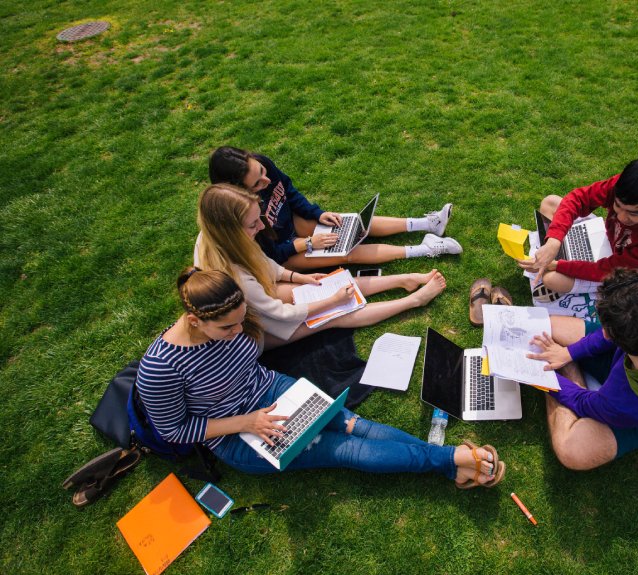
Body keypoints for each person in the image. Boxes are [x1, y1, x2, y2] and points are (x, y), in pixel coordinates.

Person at [135, 268, 506, 484]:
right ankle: (448, 461)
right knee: (346, 449)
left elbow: (252, 363)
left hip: (273, 390)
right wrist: (247, 421)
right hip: (236, 434)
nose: (238, 332)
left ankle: (449, 463)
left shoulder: (232, 320)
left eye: (240, 321)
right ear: (195, 322)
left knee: (352, 423)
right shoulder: (161, 368)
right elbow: (174, 430)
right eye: (227, 328)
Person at [194, 183, 447, 349]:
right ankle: (414, 300)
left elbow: (266, 264)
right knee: (336, 314)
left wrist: (297, 277)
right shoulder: (234, 277)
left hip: (261, 304)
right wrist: (331, 302)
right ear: (230, 230)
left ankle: (405, 279)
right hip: (256, 333)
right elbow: (280, 314)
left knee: (325, 284)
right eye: (253, 225)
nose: (261, 227)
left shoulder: (214, 237)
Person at [527, 268, 638, 469]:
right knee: (547, 327)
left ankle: (567, 371)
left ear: (608, 334)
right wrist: (568, 353)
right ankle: (566, 363)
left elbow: (584, 403)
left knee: (570, 452)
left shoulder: (623, 399)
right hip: (634, 362)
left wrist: (540, 376)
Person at [208, 146, 462, 270]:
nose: (266, 181)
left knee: (347, 223)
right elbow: (270, 255)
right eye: (256, 184)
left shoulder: (261, 165)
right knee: (345, 253)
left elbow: (287, 190)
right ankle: (425, 249)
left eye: (263, 172)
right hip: (281, 255)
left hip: (291, 226)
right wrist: (308, 244)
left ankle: (428, 224)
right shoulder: (237, 217)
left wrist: (317, 214)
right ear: (236, 191)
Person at [518, 158, 638, 295]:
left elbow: (610, 269)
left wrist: (558, 265)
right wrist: (554, 240)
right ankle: (551, 254)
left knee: (551, 279)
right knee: (550, 202)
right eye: (617, 206)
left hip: (622, 272)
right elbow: (579, 198)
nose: (622, 217)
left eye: (633, 213)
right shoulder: (624, 187)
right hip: (607, 240)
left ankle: (551, 262)